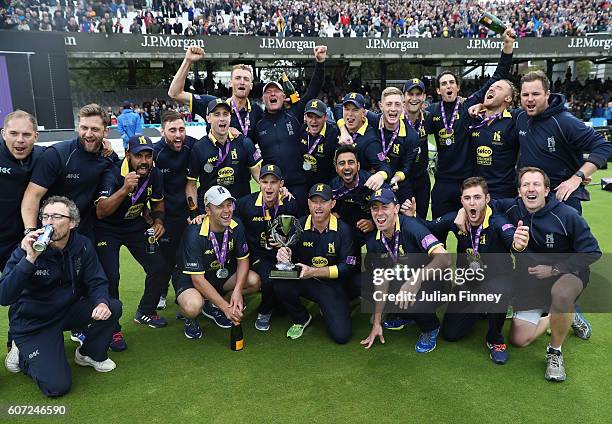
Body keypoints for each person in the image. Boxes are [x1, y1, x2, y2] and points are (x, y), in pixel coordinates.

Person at [1, 196, 121, 397]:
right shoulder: (26, 248)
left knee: (112, 306)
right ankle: (22, 355)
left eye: (56, 217)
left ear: (72, 223)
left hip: (66, 311)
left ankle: (88, 354)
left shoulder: (82, 245)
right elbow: (4, 296)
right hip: (34, 322)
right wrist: (29, 258)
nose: (49, 222)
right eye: (45, 216)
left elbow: (96, 280)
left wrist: (101, 302)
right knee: (57, 386)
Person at [499, 167, 600, 381]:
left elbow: (592, 251)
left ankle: (555, 352)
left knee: (561, 295)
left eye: (536, 184)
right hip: (532, 281)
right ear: (519, 191)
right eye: (525, 185)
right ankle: (564, 316)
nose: (530, 189)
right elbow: (486, 205)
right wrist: (463, 211)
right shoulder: (512, 209)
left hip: (569, 274)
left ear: (546, 190)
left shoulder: (566, 215)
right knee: (519, 340)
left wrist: (554, 269)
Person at [415, 177, 521, 365]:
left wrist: (517, 244)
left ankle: (495, 340)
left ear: (487, 199)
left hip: (496, 281)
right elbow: (429, 227)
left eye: (478, 197)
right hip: (469, 283)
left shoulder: (498, 221)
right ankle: (481, 309)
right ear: (461, 200)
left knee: (500, 291)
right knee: (451, 334)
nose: (472, 203)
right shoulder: (455, 219)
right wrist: (412, 215)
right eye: (467, 198)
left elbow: (511, 237)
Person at [425, 28, 515, 218]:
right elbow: (415, 130)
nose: (448, 86)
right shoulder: (432, 111)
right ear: (438, 91)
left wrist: (507, 46)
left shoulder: (468, 106)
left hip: (466, 183)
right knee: (437, 231)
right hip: (441, 182)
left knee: (466, 234)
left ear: (458, 87)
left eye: (451, 83)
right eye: (443, 84)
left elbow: (497, 76)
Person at [95, 135, 168, 352]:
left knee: (159, 267)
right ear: (128, 155)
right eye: (139, 156)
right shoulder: (112, 173)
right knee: (111, 277)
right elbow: (100, 211)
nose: (144, 161)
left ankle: (146, 310)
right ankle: (111, 328)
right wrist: (125, 189)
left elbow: (159, 202)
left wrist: (158, 220)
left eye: (148, 155)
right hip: (107, 228)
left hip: (134, 224)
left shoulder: (154, 172)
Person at [361, 188, 450, 353]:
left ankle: (430, 327)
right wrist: (377, 322)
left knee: (411, 295)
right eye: (375, 208)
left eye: (385, 207)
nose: (379, 213)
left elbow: (445, 258)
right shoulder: (374, 240)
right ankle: (405, 315)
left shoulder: (412, 227)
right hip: (404, 278)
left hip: (434, 281)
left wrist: (416, 280)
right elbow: (381, 280)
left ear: (396, 208)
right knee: (365, 282)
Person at [515, 71, 612, 214]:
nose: (529, 99)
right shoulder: (520, 117)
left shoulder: (565, 121)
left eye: (535, 94)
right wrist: (481, 106)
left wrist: (578, 177)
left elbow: (604, 145)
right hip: (531, 198)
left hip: (562, 198)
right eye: (525, 95)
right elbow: (494, 111)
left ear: (547, 94)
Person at [21, 104, 118, 242]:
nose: (88, 134)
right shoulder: (57, 155)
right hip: (51, 234)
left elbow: (125, 166)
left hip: (85, 235)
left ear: (106, 131)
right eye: (84, 128)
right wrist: (30, 232)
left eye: (95, 129)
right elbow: (32, 196)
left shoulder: (108, 156)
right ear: (78, 127)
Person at [274, 184, 357, 343]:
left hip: (332, 285)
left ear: (332, 204)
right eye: (314, 201)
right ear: (308, 203)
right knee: (279, 282)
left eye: (323, 202)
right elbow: (290, 253)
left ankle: (334, 305)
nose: (318, 206)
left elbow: (347, 268)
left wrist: (314, 272)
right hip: (307, 281)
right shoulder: (298, 224)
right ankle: (301, 318)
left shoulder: (344, 230)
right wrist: (284, 255)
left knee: (341, 336)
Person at [178, 185, 261, 337]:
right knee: (193, 306)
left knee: (254, 281)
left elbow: (243, 261)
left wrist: (237, 292)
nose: (227, 210)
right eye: (220, 206)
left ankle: (213, 304)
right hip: (192, 280)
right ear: (208, 210)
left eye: (229, 205)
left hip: (219, 275)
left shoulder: (236, 225)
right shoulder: (194, 233)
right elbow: (197, 280)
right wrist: (225, 308)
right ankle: (191, 318)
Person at [253, 45, 327, 213]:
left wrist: (320, 62)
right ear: (263, 98)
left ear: (283, 96)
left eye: (276, 91)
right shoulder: (258, 125)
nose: (272, 94)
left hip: (299, 186)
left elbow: (312, 90)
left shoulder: (294, 113)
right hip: (273, 189)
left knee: (300, 228)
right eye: (268, 92)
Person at [234, 164, 298, 331]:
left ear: (281, 184)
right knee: (268, 279)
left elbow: (297, 230)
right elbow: (225, 214)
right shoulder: (245, 204)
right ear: (259, 183)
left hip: (282, 254)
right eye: (264, 181)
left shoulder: (289, 203)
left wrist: (286, 242)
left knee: (287, 288)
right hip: (258, 255)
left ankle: (282, 304)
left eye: (273, 182)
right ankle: (264, 311)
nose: (269, 187)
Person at [152, 110, 198, 310]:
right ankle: (161, 291)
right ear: (162, 131)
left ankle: (189, 292)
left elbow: (213, 141)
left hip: (188, 212)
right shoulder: (154, 152)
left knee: (188, 255)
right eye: (172, 131)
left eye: (181, 129)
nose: (178, 135)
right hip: (165, 215)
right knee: (166, 258)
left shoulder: (192, 145)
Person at [168, 47, 263, 140]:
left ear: (251, 85)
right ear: (230, 83)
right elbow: (175, 93)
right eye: (237, 78)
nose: (242, 82)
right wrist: (188, 61)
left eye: (246, 79)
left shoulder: (257, 111)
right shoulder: (212, 103)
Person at [186, 98, 262, 213]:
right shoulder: (198, 148)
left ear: (230, 118)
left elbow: (259, 176)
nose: (222, 118)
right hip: (210, 212)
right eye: (216, 114)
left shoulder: (244, 142)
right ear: (208, 118)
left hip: (238, 210)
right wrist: (193, 213)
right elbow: (191, 185)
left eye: (225, 114)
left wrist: (276, 189)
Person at [0, 110, 44, 270]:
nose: (19, 140)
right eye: (13, 133)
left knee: (22, 290)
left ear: (36, 136)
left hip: (21, 239)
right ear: (3, 134)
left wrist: (103, 148)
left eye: (26, 134)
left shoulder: (44, 157)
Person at [468, 80, 519, 199]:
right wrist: (480, 106)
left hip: (503, 193)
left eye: (498, 88)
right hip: (477, 191)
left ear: (508, 99)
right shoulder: (474, 117)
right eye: (491, 86)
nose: (491, 89)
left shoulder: (515, 119)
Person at [402, 78, 431, 219]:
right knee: (403, 224)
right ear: (404, 97)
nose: (414, 98)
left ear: (424, 97)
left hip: (422, 181)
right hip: (402, 181)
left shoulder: (428, 118)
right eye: (410, 94)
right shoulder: (394, 120)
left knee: (421, 222)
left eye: (418, 94)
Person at [299, 99, 340, 189]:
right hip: (305, 182)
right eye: (310, 116)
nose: (314, 121)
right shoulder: (301, 130)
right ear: (305, 117)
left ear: (325, 117)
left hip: (327, 184)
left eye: (318, 116)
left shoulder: (334, 133)